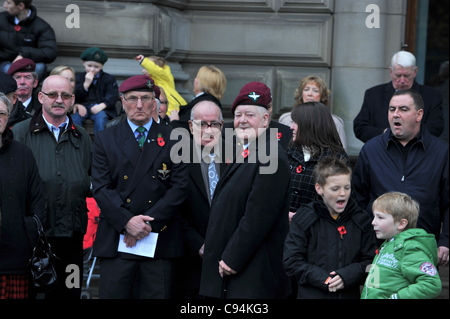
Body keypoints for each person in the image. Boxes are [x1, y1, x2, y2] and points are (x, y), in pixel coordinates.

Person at [91, 74, 189, 299]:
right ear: (122, 102)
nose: (139, 105)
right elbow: (101, 187)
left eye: (146, 98)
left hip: (158, 238)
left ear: (155, 103)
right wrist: (127, 222)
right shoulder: (105, 138)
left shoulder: (175, 138)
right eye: (132, 98)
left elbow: (179, 188)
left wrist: (144, 225)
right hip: (117, 238)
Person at [200, 81, 291, 299]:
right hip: (237, 273)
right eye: (238, 115)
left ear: (266, 120)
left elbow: (257, 217)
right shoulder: (249, 151)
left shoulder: (271, 157)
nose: (242, 121)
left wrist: (232, 258)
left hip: (252, 275)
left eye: (249, 115)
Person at [12, 75, 92, 299]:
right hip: (33, 239)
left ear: (72, 99)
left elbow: (89, 179)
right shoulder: (20, 132)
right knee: (33, 294)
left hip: (72, 238)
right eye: (53, 95)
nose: (59, 100)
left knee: (70, 291)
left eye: (65, 95)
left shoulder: (82, 136)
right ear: (41, 97)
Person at [353, 89, 449, 267]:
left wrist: (446, 241)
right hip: (378, 248)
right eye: (391, 109)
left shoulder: (441, 152)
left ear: (419, 114)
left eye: (403, 109)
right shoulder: (371, 149)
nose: (395, 114)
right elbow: (358, 199)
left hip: (422, 248)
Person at [283, 157, 377, 299]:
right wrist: (323, 278)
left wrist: (347, 275)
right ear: (319, 188)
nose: (343, 193)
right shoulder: (305, 219)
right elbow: (291, 261)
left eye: (347, 187)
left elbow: (372, 261)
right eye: (335, 188)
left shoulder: (361, 220)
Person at [172, 96, 228, 299]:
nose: (208, 129)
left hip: (229, 261)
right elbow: (173, 209)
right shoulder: (176, 158)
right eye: (201, 124)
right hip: (188, 261)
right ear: (190, 125)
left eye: (214, 123)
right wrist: (198, 244)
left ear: (221, 125)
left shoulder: (238, 157)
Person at [0, 92, 45, 299]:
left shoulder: (23, 153)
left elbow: (37, 201)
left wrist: (26, 231)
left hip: (17, 260)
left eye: (1, 113)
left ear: (8, 116)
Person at [361, 192, 442, 299]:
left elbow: (431, 284)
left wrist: (397, 297)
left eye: (380, 217)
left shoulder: (410, 248)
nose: (373, 222)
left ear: (401, 223)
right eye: (374, 216)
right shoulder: (388, 245)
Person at [354, 51, 444, 143]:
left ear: (415, 72)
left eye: (406, 75)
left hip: (418, 151)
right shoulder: (373, 94)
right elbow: (360, 127)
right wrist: (385, 134)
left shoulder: (432, 95)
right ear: (391, 72)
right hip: (381, 150)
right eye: (398, 75)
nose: (402, 80)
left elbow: (436, 126)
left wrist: (409, 136)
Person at [287, 101, 349, 222]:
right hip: (284, 233)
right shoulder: (287, 151)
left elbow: (340, 201)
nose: (291, 127)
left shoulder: (336, 159)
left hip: (318, 233)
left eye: (296, 122)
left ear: (309, 124)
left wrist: (300, 217)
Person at [279, 75, 347, 150]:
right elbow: (279, 149)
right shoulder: (286, 119)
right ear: (301, 94)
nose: (310, 94)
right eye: (306, 89)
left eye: (315, 90)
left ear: (322, 96)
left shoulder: (334, 122)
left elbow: (341, 153)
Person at [0, 0, 58, 80]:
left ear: (21, 6)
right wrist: (7, 55)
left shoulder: (42, 26)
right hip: (5, 62)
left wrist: (24, 54)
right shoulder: (1, 19)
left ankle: (27, 92)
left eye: (9, 3)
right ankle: (10, 92)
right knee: (8, 69)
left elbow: (50, 52)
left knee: (39, 67)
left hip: (29, 64)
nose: (5, 5)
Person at [73, 47, 119, 133]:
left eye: (96, 67)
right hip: (83, 107)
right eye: (89, 66)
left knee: (101, 119)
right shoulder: (79, 78)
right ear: (83, 63)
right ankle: (76, 143)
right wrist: (85, 85)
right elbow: (75, 95)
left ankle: (101, 144)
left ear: (102, 66)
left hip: (100, 107)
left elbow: (112, 95)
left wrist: (103, 105)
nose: (92, 69)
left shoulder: (108, 79)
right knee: (75, 119)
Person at [170, 65, 226, 132]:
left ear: (199, 82)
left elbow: (184, 130)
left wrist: (174, 121)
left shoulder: (204, 104)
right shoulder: (209, 101)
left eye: (197, 77)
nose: (195, 79)